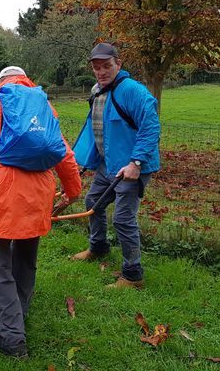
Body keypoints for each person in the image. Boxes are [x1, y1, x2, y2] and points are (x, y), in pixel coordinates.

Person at [0, 66, 82, 358]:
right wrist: (73, 189)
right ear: (27, 80)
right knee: (26, 259)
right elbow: (62, 152)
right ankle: (19, 312)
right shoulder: (42, 104)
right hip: (37, 193)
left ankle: (12, 338)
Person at [71, 43, 160, 289]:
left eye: (106, 66)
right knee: (92, 202)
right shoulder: (97, 91)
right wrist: (90, 160)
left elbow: (151, 127)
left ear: (118, 64)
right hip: (107, 164)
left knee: (122, 218)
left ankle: (133, 275)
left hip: (132, 167)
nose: (101, 72)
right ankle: (98, 247)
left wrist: (136, 162)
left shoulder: (132, 91)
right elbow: (99, 128)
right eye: (96, 68)